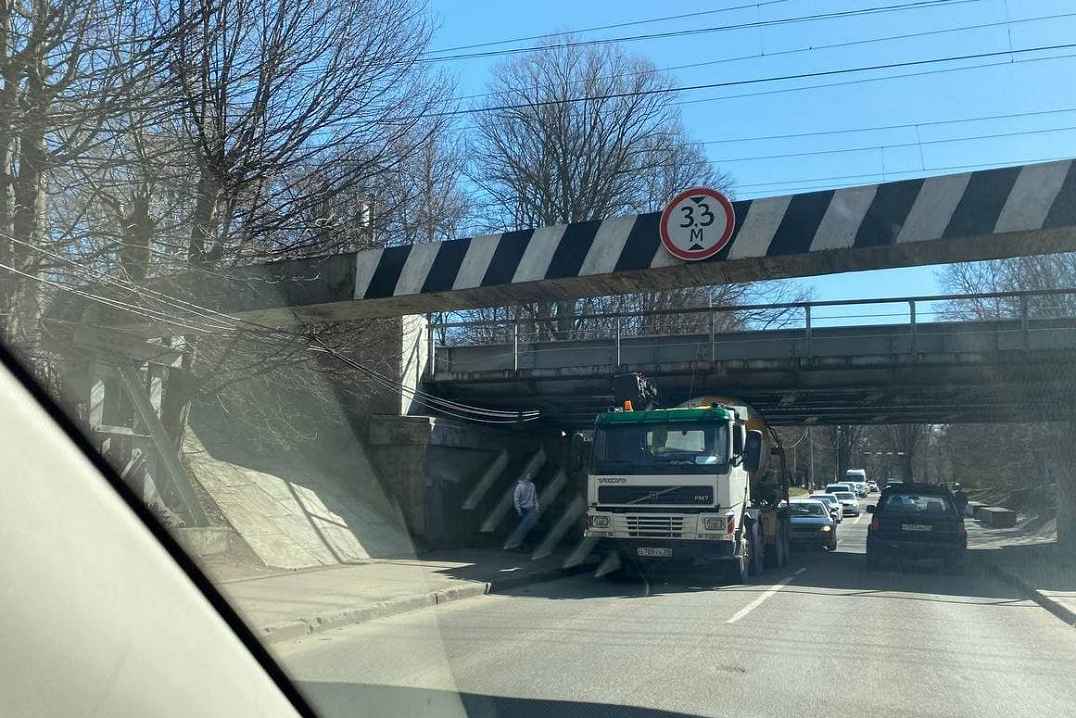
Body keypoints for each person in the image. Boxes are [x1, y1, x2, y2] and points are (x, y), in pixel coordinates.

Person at [513, 474, 540, 550]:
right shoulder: (520, 486)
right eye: (528, 475)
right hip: (524, 509)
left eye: (530, 475)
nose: (530, 477)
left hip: (530, 509)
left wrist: (536, 507)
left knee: (528, 528)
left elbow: (535, 496)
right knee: (524, 528)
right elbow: (516, 499)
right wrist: (519, 510)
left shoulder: (532, 485)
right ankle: (522, 545)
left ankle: (526, 545)